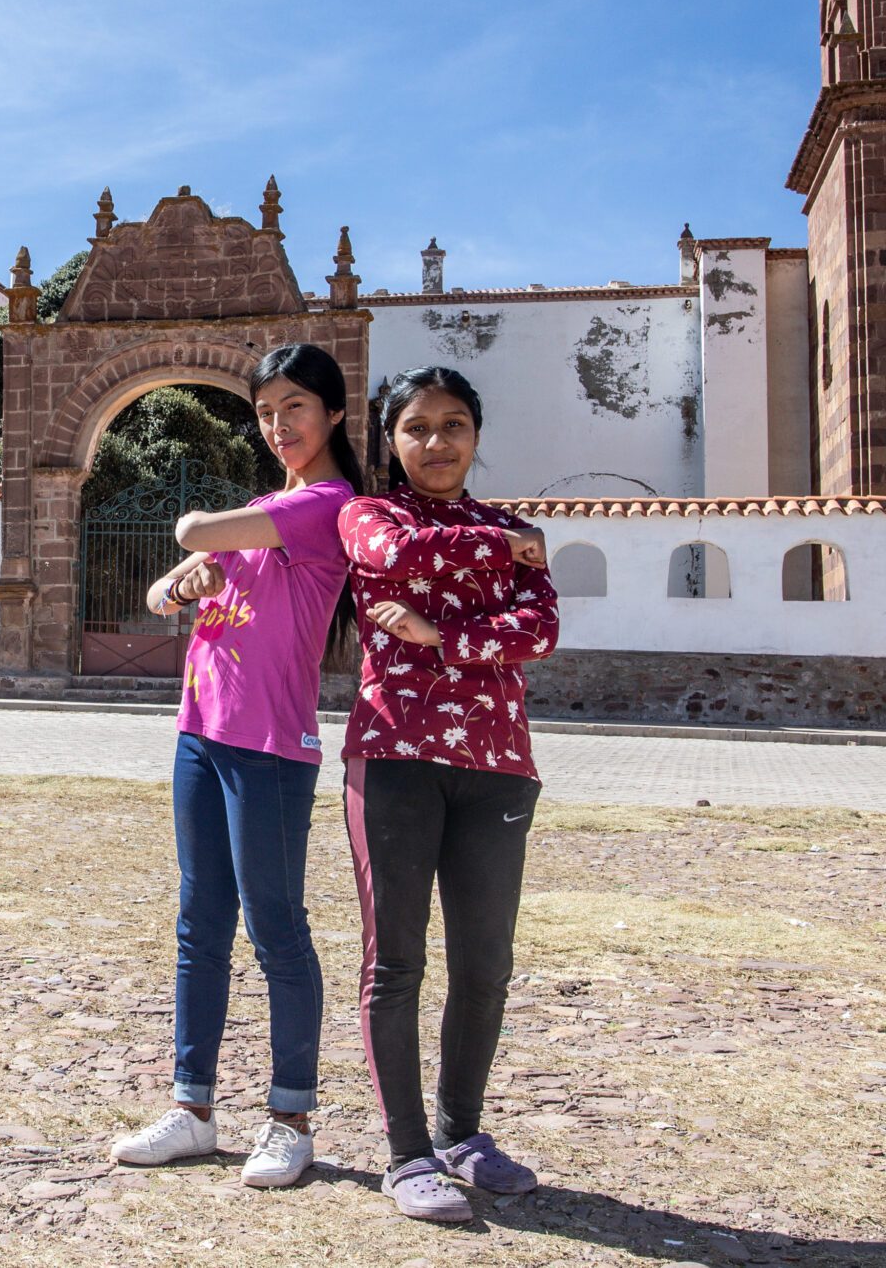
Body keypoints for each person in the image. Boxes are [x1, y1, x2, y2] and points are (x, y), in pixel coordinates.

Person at [110, 343, 364, 1191]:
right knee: (199, 925)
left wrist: (202, 550)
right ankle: (193, 1109)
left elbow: (191, 533)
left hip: (270, 751)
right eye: (263, 412)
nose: (277, 425)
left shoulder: (329, 504)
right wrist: (185, 583)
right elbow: (163, 589)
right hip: (201, 734)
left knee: (277, 929)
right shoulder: (266, 507)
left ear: (331, 413)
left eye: (294, 407)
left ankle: (290, 1117)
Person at [336, 365, 558, 1224]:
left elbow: (537, 631)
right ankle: (407, 1152)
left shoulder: (512, 529)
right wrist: (500, 559)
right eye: (418, 427)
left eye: (454, 424)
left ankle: (465, 1132)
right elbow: (395, 556)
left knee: (485, 964)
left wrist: (435, 635)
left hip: (499, 763)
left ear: (476, 434)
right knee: (396, 960)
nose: (437, 442)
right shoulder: (371, 515)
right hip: (394, 756)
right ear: (390, 440)